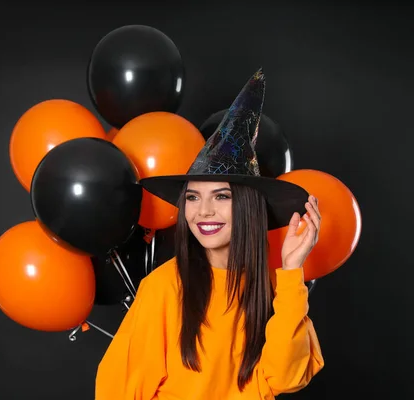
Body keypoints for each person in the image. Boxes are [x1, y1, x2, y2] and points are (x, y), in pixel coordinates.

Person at [94, 69, 324, 400]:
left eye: (221, 196)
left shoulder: (274, 291)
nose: (203, 211)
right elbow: (115, 390)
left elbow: (287, 378)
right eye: (192, 197)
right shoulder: (164, 288)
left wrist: (291, 270)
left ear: (247, 206)